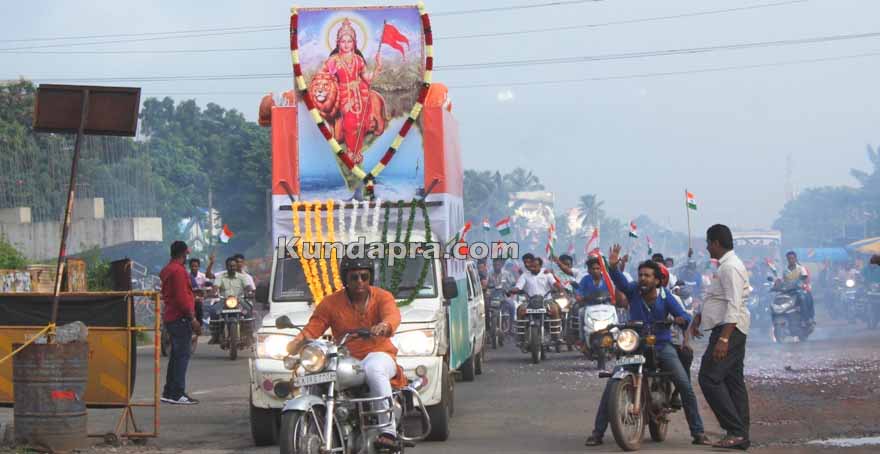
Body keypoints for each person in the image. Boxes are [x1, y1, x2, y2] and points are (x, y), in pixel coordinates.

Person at [585, 245, 709, 447]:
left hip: (661, 346)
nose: (643, 278)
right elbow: (619, 281)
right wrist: (614, 266)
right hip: (634, 345)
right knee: (611, 387)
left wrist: (680, 319)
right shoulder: (633, 291)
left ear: (657, 280)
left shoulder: (665, 296)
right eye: (641, 275)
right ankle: (597, 433)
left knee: (685, 386)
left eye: (648, 276)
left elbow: (685, 316)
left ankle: (698, 432)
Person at [287, 257, 405, 449]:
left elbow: (392, 315)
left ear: (370, 278)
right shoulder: (331, 303)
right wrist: (297, 342)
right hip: (346, 358)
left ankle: (387, 430)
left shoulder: (383, 297)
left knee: (373, 368)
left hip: (379, 353)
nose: (360, 282)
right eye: (354, 277)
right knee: (313, 374)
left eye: (364, 277)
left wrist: (384, 325)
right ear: (345, 279)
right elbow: (314, 326)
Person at [691, 224, 751, 450]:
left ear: (716, 243)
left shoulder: (730, 268)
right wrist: (699, 316)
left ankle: (735, 430)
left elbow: (734, 305)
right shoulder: (726, 266)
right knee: (733, 381)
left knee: (709, 377)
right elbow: (718, 298)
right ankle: (740, 434)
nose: (707, 248)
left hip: (730, 329)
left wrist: (724, 339)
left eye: (708, 243)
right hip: (729, 328)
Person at [319, 18, 383, 166]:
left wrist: (378, 66)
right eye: (343, 41)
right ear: (338, 43)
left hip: (359, 93)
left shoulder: (358, 60)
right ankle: (350, 151)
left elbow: (367, 78)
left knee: (362, 121)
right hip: (341, 93)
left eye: (349, 41)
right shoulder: (333, 61)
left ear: (354, 43)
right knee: (349, 121)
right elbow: (323, 76)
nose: (346, 45)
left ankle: (358, 151)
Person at [160, 241, 201, 405]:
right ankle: (177, 393)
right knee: (182, 356)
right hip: (180, 317)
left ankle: (169, 391)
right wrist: (193, 319)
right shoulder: (178, 271)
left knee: (176, 356)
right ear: (184, 254)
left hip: (171, 316)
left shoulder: (168, 269)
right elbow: (182, 298)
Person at [209, 257, 254, 344]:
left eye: (234, 266)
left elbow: (248, 286)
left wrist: (250, 292)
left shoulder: (242, 277)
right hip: (224, 300)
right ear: (226, 266)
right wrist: (213, 292)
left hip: (239, 300)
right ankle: (215, 335)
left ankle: (248, 335)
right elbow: (215, 287)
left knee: (248, 310)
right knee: (213, 311)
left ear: (236, 267)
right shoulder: (220, 276)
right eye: (230, 266)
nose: (232, 268)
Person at [781, 251, 814, 327]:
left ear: (795, 259)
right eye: (789, 258)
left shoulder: (801, 269)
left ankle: (805, 319)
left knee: (802, 298)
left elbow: (805, 279)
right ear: (787, 259)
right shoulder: (785, 270)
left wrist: (799, 282)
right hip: (788, 291)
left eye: (792, 258)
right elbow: (783, 281)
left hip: (798, 290)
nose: (791, 260)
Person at [487, 257, 517, 331]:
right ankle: (487, 326)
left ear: (502, 265)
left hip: (504, 297)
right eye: (495, 264)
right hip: (492, 298)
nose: (497, 265)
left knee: (512, 306)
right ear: (493, 265)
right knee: (484, 308)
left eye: (498, 264)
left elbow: (513, 283)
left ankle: (511, 327)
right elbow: (486, 284)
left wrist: (509, 288)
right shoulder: (489, 274)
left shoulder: (507, 274)